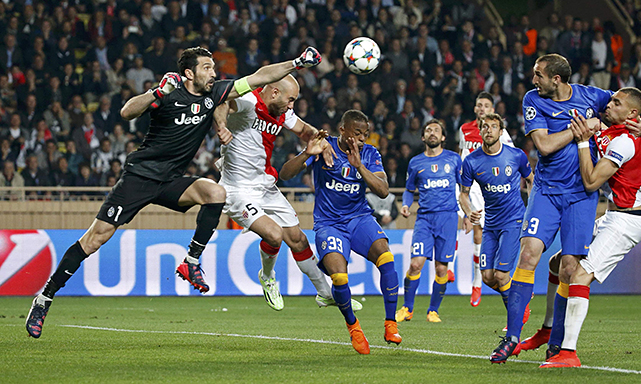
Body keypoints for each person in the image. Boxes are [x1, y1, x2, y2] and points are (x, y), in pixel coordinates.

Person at [25, 46, 323, 339]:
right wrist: (157, 92)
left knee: (216, 193)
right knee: (95, 239)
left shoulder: (214, 93)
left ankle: (191, 262)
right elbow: (127, 111)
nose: (213, 72)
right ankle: (44, 299)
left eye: (213, 68)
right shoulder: (169, 93)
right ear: (189, 73)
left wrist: (297, 62)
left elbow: (260, 77)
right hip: (139, 178)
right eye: (207, 68)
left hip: (171, 181)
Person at [489, 53, 614, 363]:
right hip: (546, 192)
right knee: (529, 253)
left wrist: (638, 125)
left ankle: (556, 343)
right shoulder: (533, 100)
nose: (534, 80)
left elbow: (625, 106)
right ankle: (512, 337)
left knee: (570, 267)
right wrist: (583, 129)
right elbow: (543, 146)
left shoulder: (592, 95)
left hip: (581, 195)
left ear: (556, 79)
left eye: (538, 75)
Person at [214, 75, 361, 312]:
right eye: (290, 99)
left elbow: (305, 130)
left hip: (266, 186)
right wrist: (221, 126)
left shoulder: (282, 113)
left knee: (298, 239)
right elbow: (222, 103)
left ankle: (325, 293)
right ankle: (268, 276)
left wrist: (322, 142)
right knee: (274, 235)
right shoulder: (248, 101)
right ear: (274, 93)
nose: (292, 105)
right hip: (237, 190)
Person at [279, 110, 402, 354]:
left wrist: (360, 168)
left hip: (359, 219)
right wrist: (307, 153)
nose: (362, 139)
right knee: (339, 277)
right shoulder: (323, 146)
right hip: (329, 223)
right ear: (343, 130)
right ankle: (353, 327)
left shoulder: (369, 153)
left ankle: (391, 323)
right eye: (357, 133)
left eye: (365, 134)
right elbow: (284, 175)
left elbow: (383, 191)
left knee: (387, 259)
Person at [541, 89, 641, 368]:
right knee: (556, 263)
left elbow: (590, 182)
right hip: (613, 217)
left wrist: (582, 143)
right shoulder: (616, 131)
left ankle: (568, 353)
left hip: (626, 221)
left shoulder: (625, 142)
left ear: (632, 114)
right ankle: (548, 328)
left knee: (579, 276)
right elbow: (603, 127)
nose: (608, 105)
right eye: (610, 101)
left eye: (616, 103)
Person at [459, 113, 533, 321]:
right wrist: (468, 210)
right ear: (480, 131)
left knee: (501, 275)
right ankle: (519, 294)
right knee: (488, 277)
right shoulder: (472, 162)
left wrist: (532, 209)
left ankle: (516, 317)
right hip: (490, 223)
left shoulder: (516, 156)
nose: (488, 130)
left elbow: (531, 181)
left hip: (513, 220)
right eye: (485, 127)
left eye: (493, 127)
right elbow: (463, 194)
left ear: (501, 132)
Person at [395, 119, 461, 324]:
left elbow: (465, 189)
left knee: (442, 269)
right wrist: (406, 204)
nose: (432, 133)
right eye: (428, 130)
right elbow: (408, 189)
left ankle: (433, 310)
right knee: (415, 264)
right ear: (423, 137)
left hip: (448, 218)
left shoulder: (454, 159)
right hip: (424, 219)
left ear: (443, 137)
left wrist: (467, 214)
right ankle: (407, 308)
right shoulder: (415, 163)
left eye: (436, 130)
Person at [458, 92, 514, 307]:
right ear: (475, 109)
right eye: (479, 105)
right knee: (476, 230)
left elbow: (509, 156)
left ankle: (486, 278)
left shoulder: (502, 133)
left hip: (493, 186)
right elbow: (461, 154)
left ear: (493, 110)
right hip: (470, 186)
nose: (482, 109)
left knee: (492, 235)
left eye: (486, 106)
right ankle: (477, 282)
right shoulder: (465, 129)